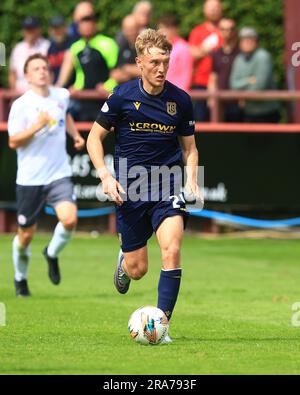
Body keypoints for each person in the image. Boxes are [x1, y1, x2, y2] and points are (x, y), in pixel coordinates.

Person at [87, 29, 201, 343]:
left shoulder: (180, 100)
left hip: (167, 185)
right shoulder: (122, 96)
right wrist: (105, 176)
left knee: (172, 249)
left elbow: (190, 148)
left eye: (165, 61)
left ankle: (161, 327)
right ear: (139, 63)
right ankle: (124, 262)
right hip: (131, 189)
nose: (161, 69)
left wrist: (191, 178)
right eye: (154, 62)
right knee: (138, 270)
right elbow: (94, 138)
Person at [7, 53, 85, 297]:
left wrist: (75, 135)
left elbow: (66, 115)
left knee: (70, 219)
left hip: (58, 173)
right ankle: (21, 279)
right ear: (27, 75)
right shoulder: (20, 105)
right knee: (25, 236)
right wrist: (37, 125)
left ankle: (51, 253)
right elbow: (13, 141)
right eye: (36, 68)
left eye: (45, 67)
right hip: (30, 179)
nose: (42, 71)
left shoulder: (61, 95)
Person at [57, 12, 118, 121]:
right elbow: (80, 74)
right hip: (83, 101)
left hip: (103, 99)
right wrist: (76, 87)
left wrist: (107, 86)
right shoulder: (75, 47)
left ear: (95, 25)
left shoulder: (108, 44)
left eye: (89, 22)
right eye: (83, 23)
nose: (86, 26)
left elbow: (116, 72)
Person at [229, 27, 280, 123]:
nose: (247, 42)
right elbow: (233, 84)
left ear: (256, 42)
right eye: (244, 39)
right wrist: (249, 80)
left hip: (267, 112)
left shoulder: (263, 56)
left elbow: (260, 86)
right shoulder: (239, 59)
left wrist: (243, 96)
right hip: (248, 113)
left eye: (251, 39)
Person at [188, 0, 223, 120]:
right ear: (204, 10)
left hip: (222, 84)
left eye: (216, 7)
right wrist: (206, 49)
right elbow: (191, 54)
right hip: (200, 83)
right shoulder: (197, 32)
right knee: (200, 120)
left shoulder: (227, 30)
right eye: (210, 8)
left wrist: (201, 49)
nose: (213, 10)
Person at [208, 17, 241, 121]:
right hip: (220, 101)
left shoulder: (241, 53)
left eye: (231, 29)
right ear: (219, 31)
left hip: (236, 101)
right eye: (224, 29)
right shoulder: (216, 53)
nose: (228, 33)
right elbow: (213, 76)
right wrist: (211, 97)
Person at [9, 16, 50, 91]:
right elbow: (12, 73)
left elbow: (50, 71)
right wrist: (14, 91)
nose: (29, 32)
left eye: (32, 29)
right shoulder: (18, 48)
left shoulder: (46, 46)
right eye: (27, 29)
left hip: (40, 91)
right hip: (19, 92)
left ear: (38, 30)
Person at [158, 14, 193, 92]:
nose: (160, 31)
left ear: (172, 29)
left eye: (163, 28)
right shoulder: (160, 48)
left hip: (175, 94)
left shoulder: (183, 47)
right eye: (160, 28)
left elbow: (186, 75)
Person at [111, 14, 140, 84]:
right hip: (125, 91)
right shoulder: (123, 47)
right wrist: (132, 71)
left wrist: (126, 69)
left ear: (138, 29)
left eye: (133, 29)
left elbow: (147, 71)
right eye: (128, 30)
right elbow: (114, 75)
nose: (130, 33)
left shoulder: (146, 47)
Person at [47, 15, 73, 84]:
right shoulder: (50, 47)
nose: (57, 31)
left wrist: (58, 87)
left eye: (60, 28)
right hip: (54, 89)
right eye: (55, 28)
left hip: (71, 90)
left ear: (65, 28)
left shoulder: (73, 44)